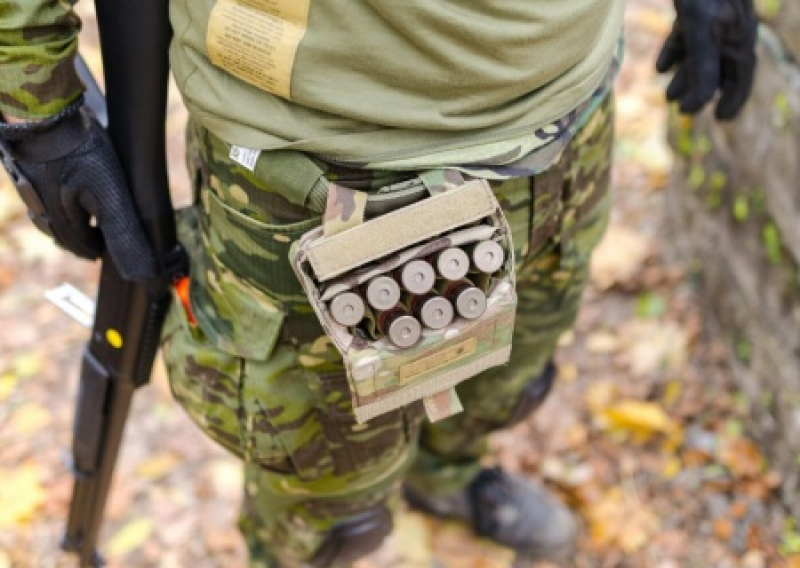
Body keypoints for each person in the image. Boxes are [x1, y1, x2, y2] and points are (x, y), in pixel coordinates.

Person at [0, 1, 757, 566]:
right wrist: (36, 104)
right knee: (327, 501)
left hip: (566, 111)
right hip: (323, 167)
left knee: (510, 381)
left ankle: (446, 475)